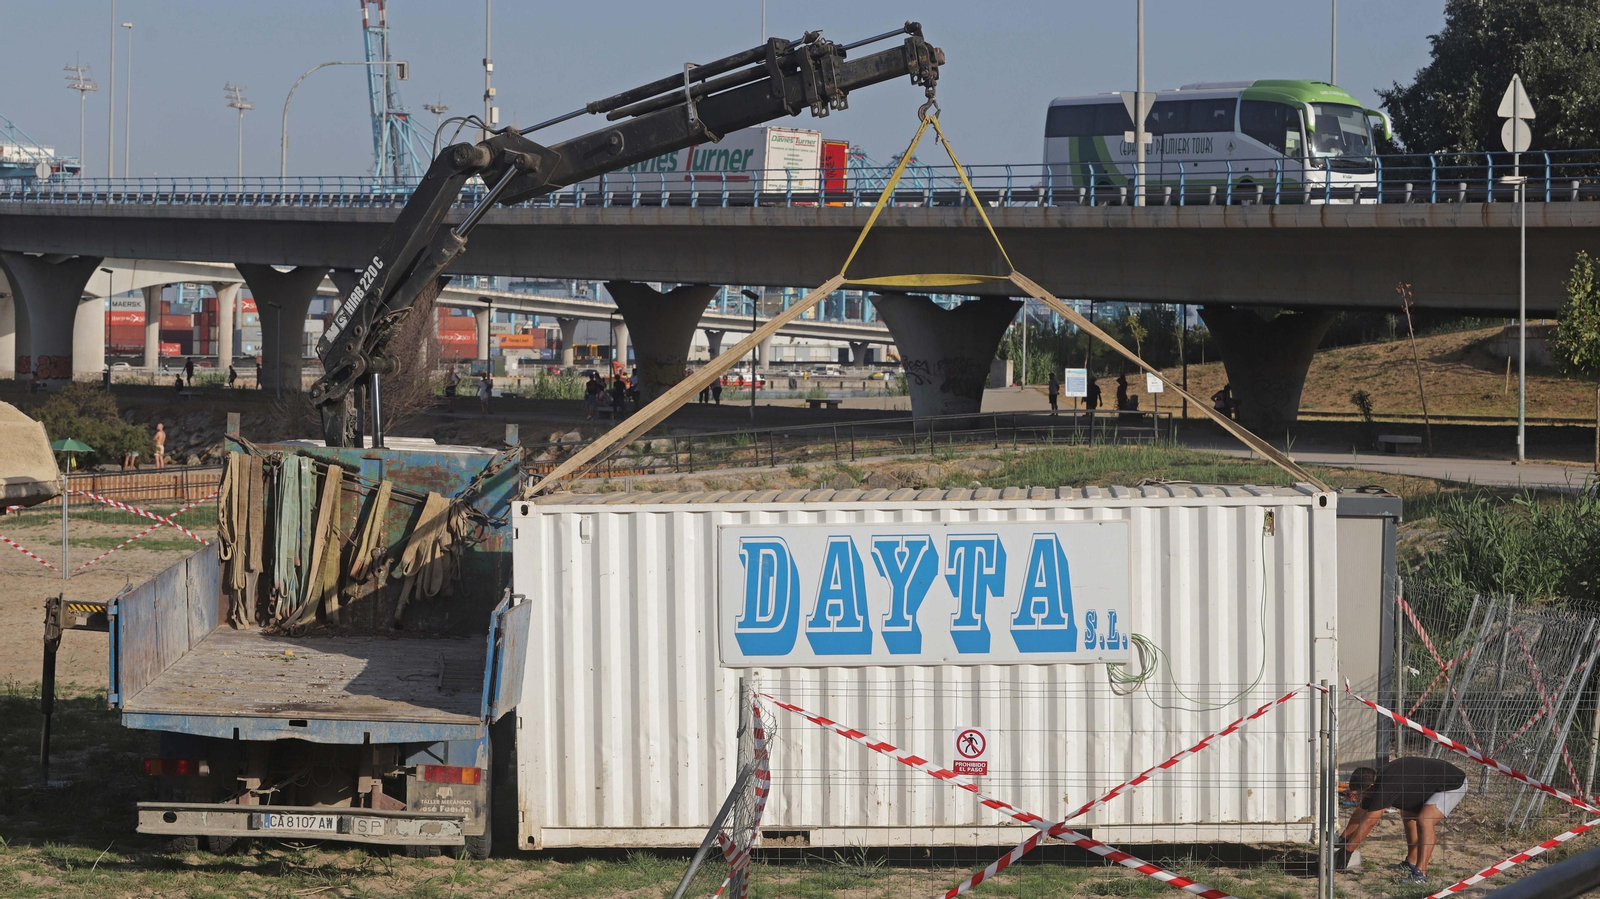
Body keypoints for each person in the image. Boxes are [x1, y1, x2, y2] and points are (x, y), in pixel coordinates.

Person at [1337, 757, 1468, 885]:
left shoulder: (1387, 785)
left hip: (1453, 783)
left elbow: (1370, 822)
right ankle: (1410, 862)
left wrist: (1348, 851)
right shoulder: (1374, 780)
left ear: (1370, 786)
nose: (1361, 797)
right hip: (1429, 783)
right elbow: (1360, 814)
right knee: (1407, 814)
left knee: (1424, 820)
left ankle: (1420, 874)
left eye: (1361, 793)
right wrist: (1341, 841)